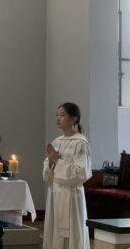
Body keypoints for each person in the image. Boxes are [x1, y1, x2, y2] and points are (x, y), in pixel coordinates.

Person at [42, 102, 92, 249]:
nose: (58, 118)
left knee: (72, 234)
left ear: (74, 118)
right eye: (57, 115)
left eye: (62, 115)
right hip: (55, 194)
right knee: (55, 231)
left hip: (72, 195)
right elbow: (47, 174)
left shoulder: (80, 142)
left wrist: (57, 160)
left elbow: (82, 172)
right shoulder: (57, 141)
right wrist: (51, 162)